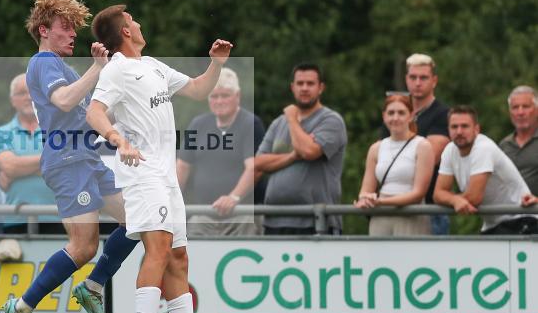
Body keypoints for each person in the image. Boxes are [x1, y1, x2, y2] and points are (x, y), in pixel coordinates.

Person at [87, 3, 230, 313]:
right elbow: (95, 112)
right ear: (125, 32)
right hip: (142, 173)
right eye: (133, 20)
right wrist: (119, 139)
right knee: (159, 249)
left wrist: (216, 64)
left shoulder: (153, 66)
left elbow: (199, 90)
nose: (138, 23)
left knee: (178, 255)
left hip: (166, 177)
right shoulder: (117, 70)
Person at [2, 0, 138, 313]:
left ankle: (92, 287)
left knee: (137, 220)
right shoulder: (43, 63)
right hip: (66, 164)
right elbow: (63, 99)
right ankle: (22, 308)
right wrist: (96, 70)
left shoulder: (61, 67)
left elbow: (86, 115)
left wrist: (121, 136)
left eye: (75, 27)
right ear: (44, 30)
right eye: (65, 26)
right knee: (83, 247)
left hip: (88, 159)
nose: (73, 33)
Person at [236, 64, 347, 235]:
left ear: (321, 88)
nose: (304, 88)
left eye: (310, 84)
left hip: (317, 221)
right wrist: (293, 156)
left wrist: (292, 118)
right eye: (300, 83)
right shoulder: (278, 123)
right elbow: (259, 163)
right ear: (292, 87)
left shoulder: (331, 120)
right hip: (275, 220)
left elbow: (309, 152)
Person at [176, 67, 265, 235]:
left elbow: (253, 168)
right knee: (192, 253)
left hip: (242, 215)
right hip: (204, 214)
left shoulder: (250, 124)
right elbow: (182, 166)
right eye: (214, 96)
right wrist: (171, 200)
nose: (219, 101)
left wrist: (233, 197)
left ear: (237, 96)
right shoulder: (198, 124)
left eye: (225, 95)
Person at [433, 106, 537, 235]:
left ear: (476, 129)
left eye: (465, 126)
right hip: (493, 224)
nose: (459, 131)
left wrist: (452, 199)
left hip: (521, 220)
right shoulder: (449, 150)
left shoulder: (483, 147)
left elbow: (474, 198)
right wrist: (455, 200)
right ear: (448, 129)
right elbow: (437, 194)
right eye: (454, 127)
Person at [0, 73, 64, 235]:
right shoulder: (1, 133)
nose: (28, 97)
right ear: (12, 100)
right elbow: (9, 166)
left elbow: (65, 165)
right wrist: (48, 163)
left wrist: (19, 171)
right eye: (21, 93)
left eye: (33, 90)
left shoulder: (59, 128)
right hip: (16, 220)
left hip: (58, 217)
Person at [354, 95, 435, 235]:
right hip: (381, 216)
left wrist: (381, 202)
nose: (395, 118)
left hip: (411, 214)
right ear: (384, 116)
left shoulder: (422, 145)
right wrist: (365, 199)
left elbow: (418, 193)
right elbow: (366, 190)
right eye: (391, 113)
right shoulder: (376, 148)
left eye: (401, 113)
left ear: (411, 116)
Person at [389, 54, 452, 234]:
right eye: (413, 77)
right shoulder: (396, 112)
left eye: (423, 77)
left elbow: (429, 157)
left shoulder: (443, 114)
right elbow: (378, 157)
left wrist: (394, 153)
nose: (417, 82)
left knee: (429, 262)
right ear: (406, 79)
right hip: (391, 205)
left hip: (429, 210)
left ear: (434, 81)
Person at [499, 86, 537, 194]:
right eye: (515, 107)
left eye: (525, 106)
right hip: (508, 209)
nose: (520, 112)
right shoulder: (504, 145)